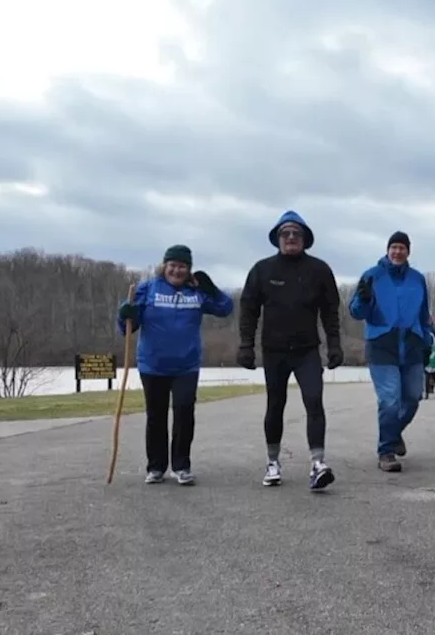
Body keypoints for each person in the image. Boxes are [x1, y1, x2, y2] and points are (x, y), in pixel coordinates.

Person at [237, 210, 344, 490]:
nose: (291, 238)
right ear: (277, 239)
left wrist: (334, 344)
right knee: (276, 404)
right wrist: (245, 345)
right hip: (274, 350)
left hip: (307, 350)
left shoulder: (319, 270)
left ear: (306, 239)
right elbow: (248, 309)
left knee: (314, 401)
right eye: (286, 234)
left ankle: (318, 463)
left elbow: (330, 311)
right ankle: (273, 462)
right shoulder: (262, 270)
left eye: (297, 234)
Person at [117, 245, 234, 485]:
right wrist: (124, 314)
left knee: (184, 413)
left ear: (188, 269)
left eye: (182, 266)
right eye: (173, 265)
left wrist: (210, 288)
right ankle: (156, 467)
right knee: (156, 416)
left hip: (186, 366)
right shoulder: (147, 289)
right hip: (153, 364)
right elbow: (128, 327)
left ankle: (181, 466)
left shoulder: (196, 292)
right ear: (164, 266)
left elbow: (225, 308)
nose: (177, 270)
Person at [349, 231, 434, 472]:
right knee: (389, 399)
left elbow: (423, 315)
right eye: (394, 247)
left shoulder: (417, 279)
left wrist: (427, 342)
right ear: (387, 250)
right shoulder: (372, 275)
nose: (398, 251)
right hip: (382, 343)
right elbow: (356, 312)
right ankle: (386, 451)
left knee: (414, 397)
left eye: (402, 248)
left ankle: (393, 433)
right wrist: (363, 301)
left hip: (412, 344)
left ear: (408, 252)